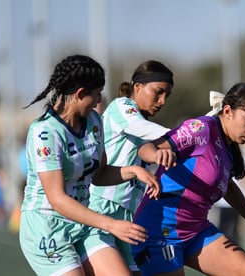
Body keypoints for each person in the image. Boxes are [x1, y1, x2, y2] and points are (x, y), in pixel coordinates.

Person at [19, 54, 161, 276]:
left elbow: (100, 174)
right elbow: (57, 199)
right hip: (47, 227)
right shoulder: (45, 133)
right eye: (95, 95)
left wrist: (133, 171)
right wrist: (111, 225)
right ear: (80, 94)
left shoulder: (94, 123)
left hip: (83, 223)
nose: (98, 101)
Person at [132, 82, 245, 275]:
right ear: (227, 111)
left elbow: (229, 188)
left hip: (196, 231)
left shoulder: (227, 147)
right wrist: (156, 155)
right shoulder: (200, 129)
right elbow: (145, 148)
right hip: (160, 233)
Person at [84, 60, 174, 275]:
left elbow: (146, 148)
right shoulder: (122, 107)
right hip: (99, 209)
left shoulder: (140, 121)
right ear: (138, 87)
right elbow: (145, 131)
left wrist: (158, 155)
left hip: (127, 216)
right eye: (158, 92)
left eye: (166, 96)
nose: (162, 101)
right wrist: (195, 136)